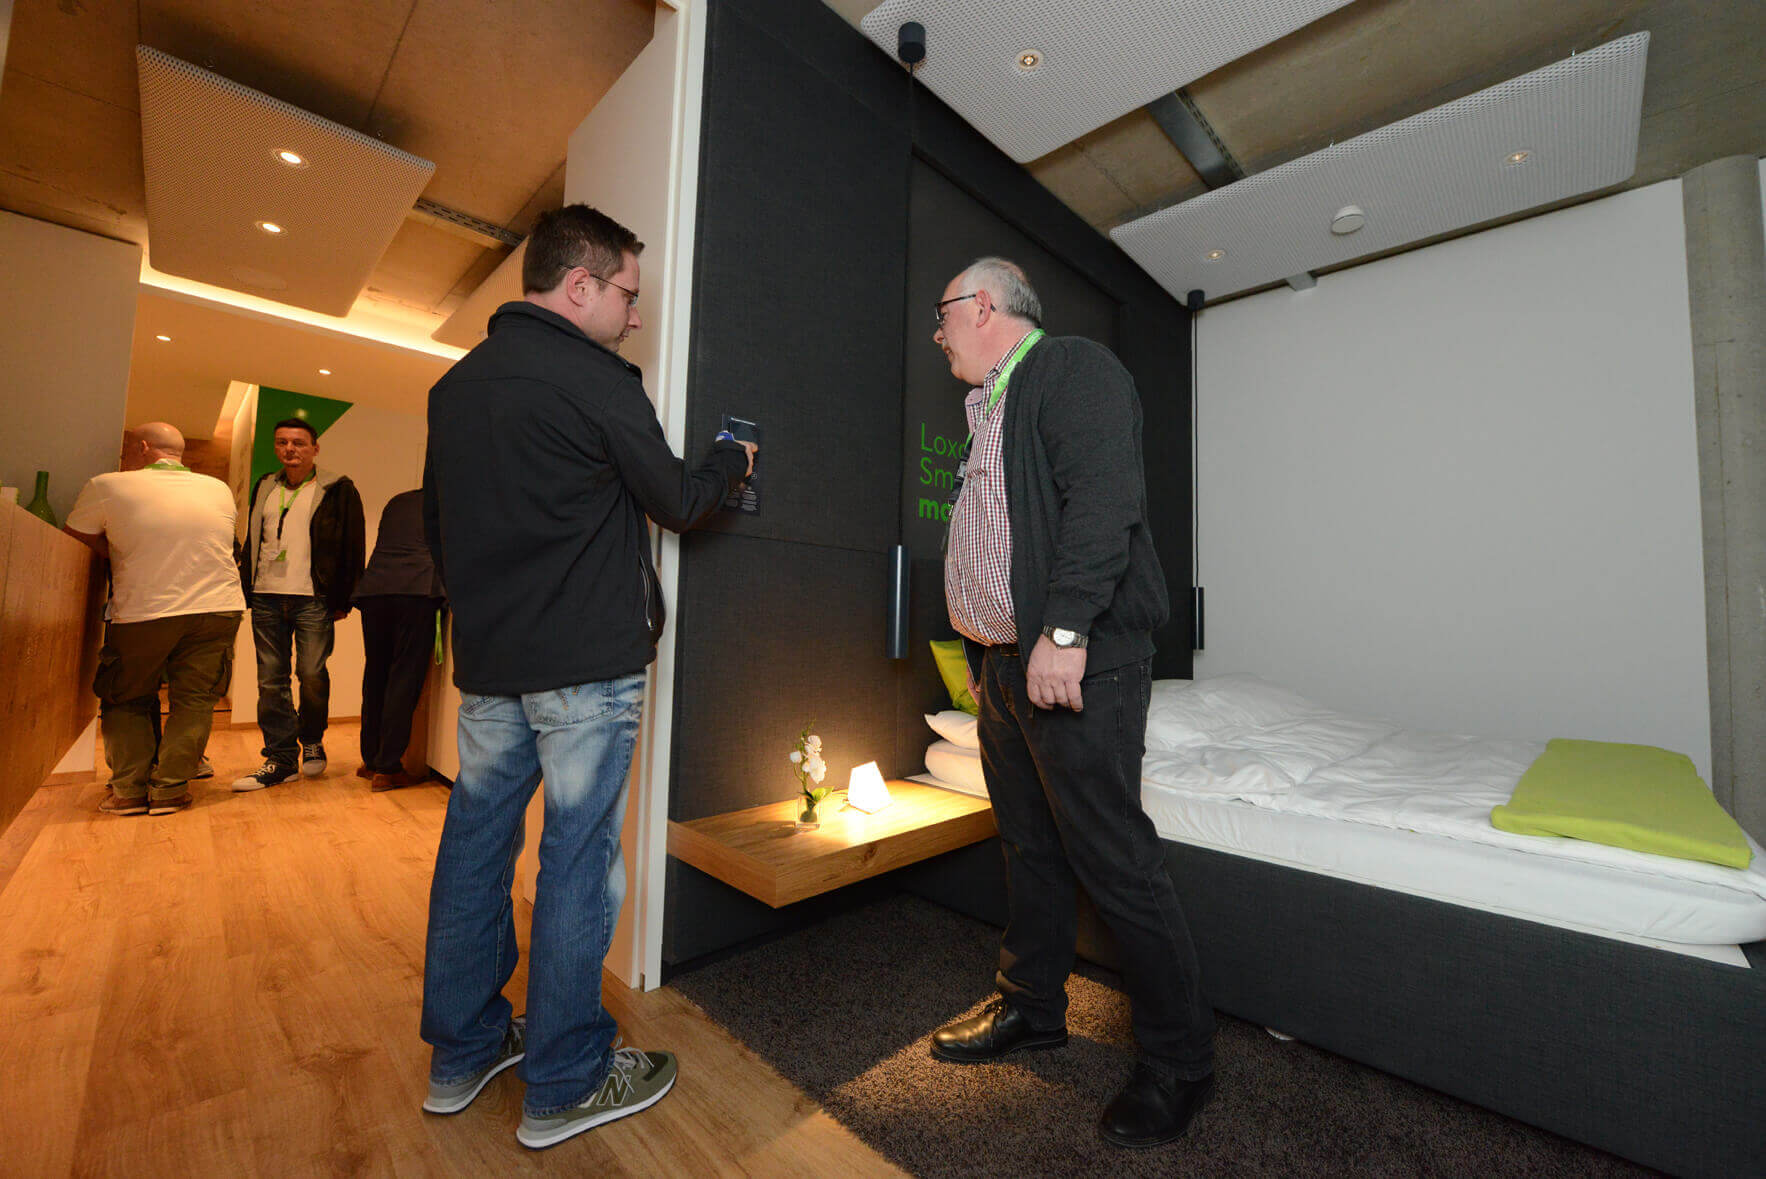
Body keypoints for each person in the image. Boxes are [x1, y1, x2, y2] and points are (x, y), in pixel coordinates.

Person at [419, 204, 755, 1150]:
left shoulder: (456, 386)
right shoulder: (599, 380)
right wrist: (731, 459)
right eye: (627, 295)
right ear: (580, 286)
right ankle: (566, 1078)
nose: (634, 315)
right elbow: (677, 498)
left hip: (493, 664)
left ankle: (462, 1054)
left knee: (476, 846)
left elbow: (439, 529)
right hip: (585, 668)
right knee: (575, 857)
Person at [924, 258, 1216, 1148]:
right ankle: (1032, 1006)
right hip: (1003, 668)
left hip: (1071, 660)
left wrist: (1064, 628)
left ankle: (1181, 1061)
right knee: (1030, 846)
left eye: (943, 316)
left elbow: (1105, 499)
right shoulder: (989, 408)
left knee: (1115, 859)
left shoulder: (1070, 367)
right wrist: (995, 656)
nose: (937, 335)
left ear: (981, 305)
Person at [64, 422, 245, 815]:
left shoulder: (107, 485)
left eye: (126, 449)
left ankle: (129, 790)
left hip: (146, 609)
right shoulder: (217, 488)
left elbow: (76, 535)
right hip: (218, 607)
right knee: (195, 700)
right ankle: (170, 790)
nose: (122, 457)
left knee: (126, 696)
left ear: (143, 448)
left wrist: (121, 549)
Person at [232, 418, 365, 791]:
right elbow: (253, 538)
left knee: (311, 673)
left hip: (313, 599)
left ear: (315, 449)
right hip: (266, 596)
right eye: (282, 442)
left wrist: (345, 598)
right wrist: (246, 586)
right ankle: (281, 757)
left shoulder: (338, 489)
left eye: (299, 443)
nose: (290, 449)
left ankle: (312, 738)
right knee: (270, 680)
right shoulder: (265, 486)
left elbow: (352, 546)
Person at [353, 488, 443, 791]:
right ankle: (388, 768)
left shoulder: (398, 500)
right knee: (404, 678)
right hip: (417, 590)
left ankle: (371, 760)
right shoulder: (452, 500)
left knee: (376, 675)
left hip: (375, 590)